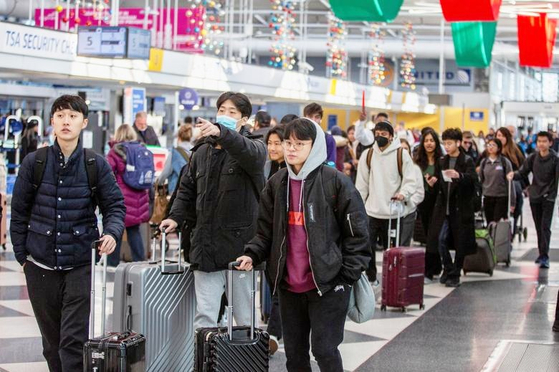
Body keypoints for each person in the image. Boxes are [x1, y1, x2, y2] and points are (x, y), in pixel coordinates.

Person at [236, 118, 370, 372]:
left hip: (327, 285)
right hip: (289, 287)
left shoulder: (336, 182)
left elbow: (358, 235)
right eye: (288, 142)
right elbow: (265, 232)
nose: (291, 148)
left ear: (315, 146)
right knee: (295, 356)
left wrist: (345, 277)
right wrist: (252, 254)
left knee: (324, 350)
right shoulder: (277, 184)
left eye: (300, 143)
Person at [10, 95, 125, 371]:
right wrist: (22, 256)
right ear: (52, 121)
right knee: (51, 345)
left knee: (72, 342)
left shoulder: (94, 164)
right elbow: (19, 212)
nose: (66, 121)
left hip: (80, 264)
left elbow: (115, 206)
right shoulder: (34, 162)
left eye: (72, 116)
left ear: (84, 123)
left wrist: (111, 232)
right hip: (39, 265)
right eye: (60, 115)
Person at [159, 91, 266, 330]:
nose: (224, 115)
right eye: (221, 110)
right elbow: (186, 189)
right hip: (206, 247)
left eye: (232, 112)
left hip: (240, 251)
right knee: (205, 315)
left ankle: (249, 362)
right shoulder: (201, 151)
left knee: (245, 317)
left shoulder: (254, 148)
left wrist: (223, 133)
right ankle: (205, 362)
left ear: (244, 119)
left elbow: (251, 154)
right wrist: (174, 217)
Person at [355, 121, 418, 284]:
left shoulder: (401, 154)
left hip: (393, 213)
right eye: (377, 133)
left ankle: (393, 280)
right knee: (367, 248)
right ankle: (370, 278)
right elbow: (361, 184)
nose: (380, 137)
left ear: (391, 136)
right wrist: (358, 206)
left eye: (384, 134)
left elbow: (411, 180)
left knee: (392, 251)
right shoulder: (367, 155)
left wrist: (403, 193)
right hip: (371, 212)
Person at [428, 128, 477, 288]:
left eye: (449, 143)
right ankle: (448, 268)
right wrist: (432, 183)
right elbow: (438, 181)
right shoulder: (442, 161)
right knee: (441, 240)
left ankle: (455, 274)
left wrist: (459, 176)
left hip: (461, 209)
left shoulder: (467, 160)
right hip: (444, 208)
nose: (447, 146)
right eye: (445, 143)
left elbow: (473, 180)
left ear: (458, 143)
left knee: (460, 243)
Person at [508, 131, 559, 269]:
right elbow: (523, 172)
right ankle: (541, 253)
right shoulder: (532, 158)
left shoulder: (555, 159)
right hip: (535, 196)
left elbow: (556, 180)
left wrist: (552, 195)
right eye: (539, 141)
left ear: (550, 143)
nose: (541, 144)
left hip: (548, 198)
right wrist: (513, 175)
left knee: (545, 226)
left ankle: (545, 256)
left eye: (544, 141)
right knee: (538, 227)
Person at [107, 124, 151, 267]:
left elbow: (107, 174)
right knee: (134, 232)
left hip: (121, 197)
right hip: (139, 197)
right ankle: (140, 263)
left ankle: (112, 265)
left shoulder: (115, 152)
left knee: (116, 231)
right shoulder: (142, 149)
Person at [262, 125, 286, 355]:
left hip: (286, 242)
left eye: (277, 143)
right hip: (269, 239)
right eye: (270, 143)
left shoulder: (289, 173)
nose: (272, 147)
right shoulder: (270, 169)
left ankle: (273, 333)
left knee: (279, 288)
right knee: (276, 288)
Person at [413, 128, 443, 283]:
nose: (429, 144)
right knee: (428, 236)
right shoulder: (418, 162)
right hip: (423, 203)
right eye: (426, 141)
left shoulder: (442, 161)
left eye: (432, 140)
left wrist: (435, 183)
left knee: (433, 236)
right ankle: (437, 266)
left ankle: (429, 271)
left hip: (438, 203)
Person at [496, 127, 526, 237]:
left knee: (517, 193)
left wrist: (526, 186)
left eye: (503, 136)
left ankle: (512, 226)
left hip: (513, 181)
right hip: (496, 183)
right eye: (498, 135)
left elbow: (524, 168)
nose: (500, 138)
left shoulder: (516, 149)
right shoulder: (491, 149)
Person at [479, 138, 515, 223]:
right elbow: (481, 180)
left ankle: (496, 236)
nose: (490, 147)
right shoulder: (484, 162)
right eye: (489, 145)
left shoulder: (504, 162)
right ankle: (491, 236)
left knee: (497, 221)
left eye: (493, 145)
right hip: (487, 197)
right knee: (489, 222)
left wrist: (512, 202)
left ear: (498, 148)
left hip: (501, 197)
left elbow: (510, 183)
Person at [399, 139, 425, 246]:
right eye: (400, 149)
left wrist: (409, 204)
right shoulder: (390, 168)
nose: (403, 152)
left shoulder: (415, 169)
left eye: (405, 149)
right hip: (390, 213)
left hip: (408, 212)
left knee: (403, 245)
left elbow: (419, 193)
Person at [156, 124, 193, 194]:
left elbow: (166, 172)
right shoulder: (196, 151)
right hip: (192, 191)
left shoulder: (174, 153)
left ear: (179, 137)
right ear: (190, 137)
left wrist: (158, 182)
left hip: (177, 191)